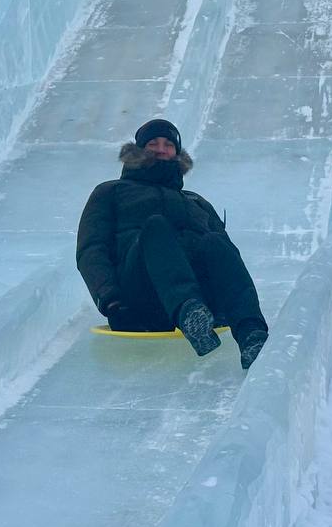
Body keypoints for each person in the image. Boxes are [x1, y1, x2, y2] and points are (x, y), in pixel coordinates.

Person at [76, 118, 270, 369]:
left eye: (168, 144)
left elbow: (227, 260)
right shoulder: (110, 192)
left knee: (216, 241)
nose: (160, 148)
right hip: (140, 296)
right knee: (155, 227)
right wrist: (112, 302)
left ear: (177, 153)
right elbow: (91, 249)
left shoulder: (195, 201)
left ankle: (251, 334)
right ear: (138, 149)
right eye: (153, 143)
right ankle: (190, 315)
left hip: (203, 301)